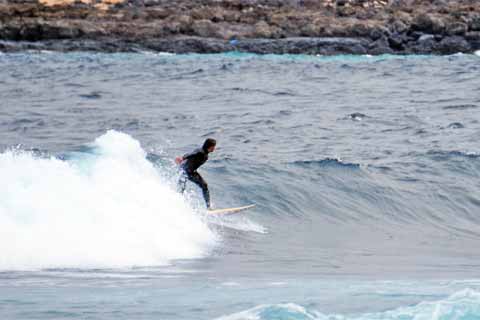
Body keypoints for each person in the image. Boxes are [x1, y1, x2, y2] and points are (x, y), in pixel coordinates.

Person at [176, 138, 216, 209]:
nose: (214, 148)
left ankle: (208, 207)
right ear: (210, 146)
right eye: (214, 146)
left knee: (204, 185)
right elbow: (191, 154)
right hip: (185, 171)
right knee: (181, 189)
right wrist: (182, 158)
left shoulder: (205, 153)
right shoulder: (200, 152)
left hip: (190, 171)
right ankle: (177, 205)